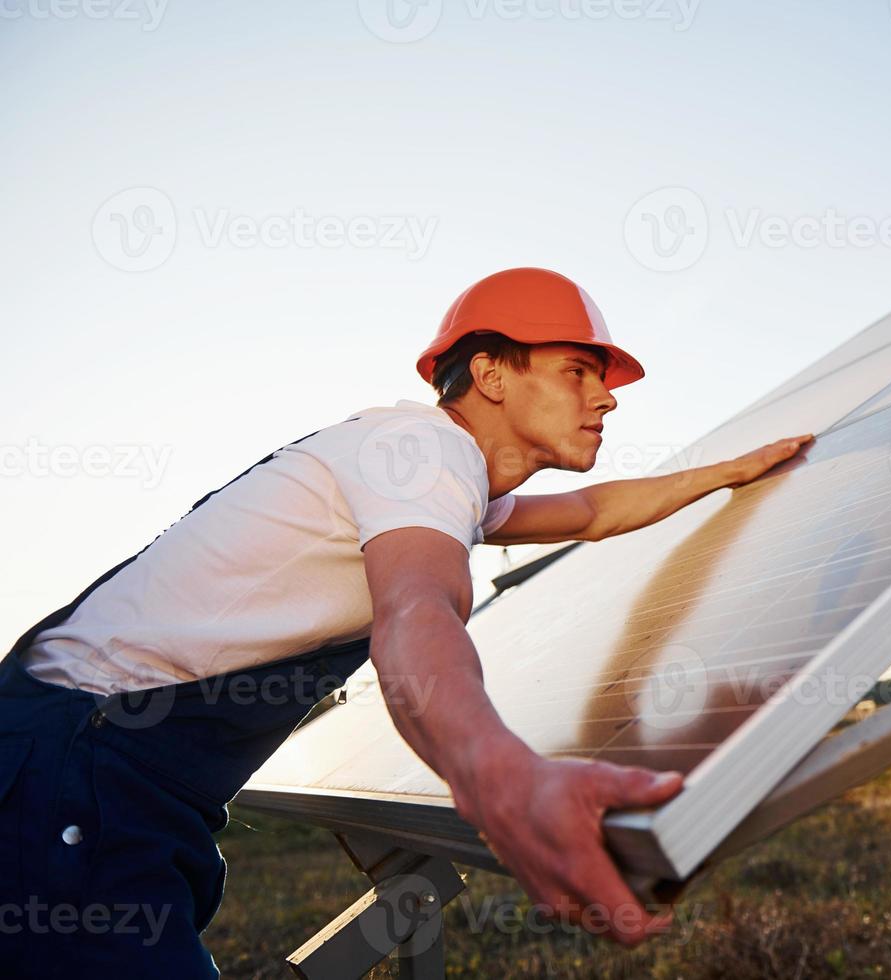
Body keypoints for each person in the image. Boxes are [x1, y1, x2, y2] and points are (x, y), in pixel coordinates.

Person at [0, 267, 814, 975]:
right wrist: (500, 776)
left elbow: (594, 510)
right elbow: (416, 610)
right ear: (491, 373)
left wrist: (730, 472)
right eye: (577, 370)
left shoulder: (428, 472)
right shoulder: (423, 456)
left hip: (92, 764)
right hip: (77, 774)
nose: (605, 396)